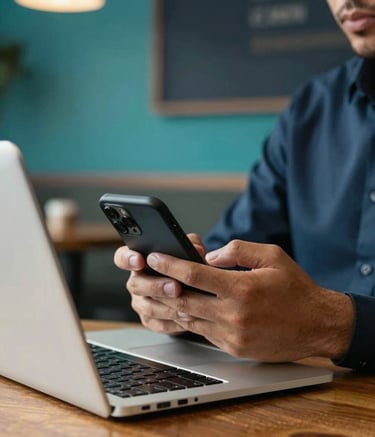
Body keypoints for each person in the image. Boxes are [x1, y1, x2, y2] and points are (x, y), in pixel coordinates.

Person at [114, 0, 375, 370]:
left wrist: (335, 325)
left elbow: (325, 324)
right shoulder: (310, 110)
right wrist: (181, 295)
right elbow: (231, 254)